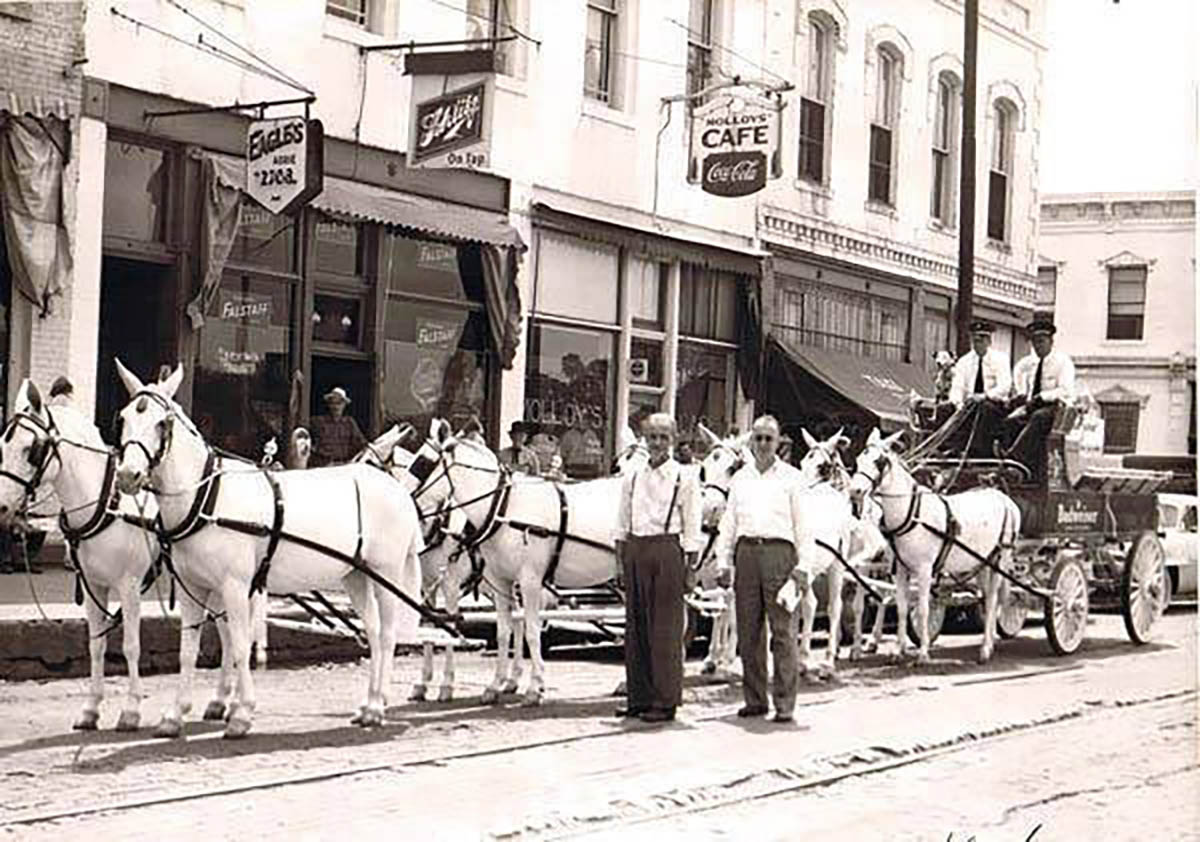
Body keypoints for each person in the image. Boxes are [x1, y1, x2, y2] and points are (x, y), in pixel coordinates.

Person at [713, 415, 811, 724]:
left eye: (769, 438)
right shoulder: (740, 478)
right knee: (749, 632)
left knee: (782, 632)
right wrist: (723, 561)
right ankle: (755, 700)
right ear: (751, 441)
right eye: (758, 438)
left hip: (779, 555)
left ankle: (784, 703)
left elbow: (804, 527)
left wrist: (803, 567)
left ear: (779, 442)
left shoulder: (792, 478)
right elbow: (729, 523)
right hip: (746, 555)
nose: (763, 444)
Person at [613, 413, 702, 724]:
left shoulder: (685, 477)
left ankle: (665, 701)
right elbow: (622, 520)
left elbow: (692, 525)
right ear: (644, 440)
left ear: (674, 440)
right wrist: (620, 559)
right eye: (652, 437)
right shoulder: (633, 476)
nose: (658, 443)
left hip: (667, 550)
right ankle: (639, 697)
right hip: (636, 548)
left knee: (664, 629)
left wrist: (691, 567)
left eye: (664, 437)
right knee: (636, 628)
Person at [997, 317, 1076, 482]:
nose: (1037, 346)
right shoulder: (1031, 364)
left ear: (1050, 341)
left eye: (1041, 341)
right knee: (1009, 421)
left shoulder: (1063, 362)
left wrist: (1042, 397)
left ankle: (1014, 459)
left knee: (1039, 417)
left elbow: (1066, 390)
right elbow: (1019, 374)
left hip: (1056, 408)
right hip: (1034, 405)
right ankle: (1017, 468)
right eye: (1034, 343)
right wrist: (1021, 395)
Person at [948, 320, 1012, 457]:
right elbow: (957, 387)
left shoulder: (1000, 359)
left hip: (994, 405)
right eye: (975, 340)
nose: (978, 344)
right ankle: (948, 448)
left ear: (989, 341)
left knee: (983, 407)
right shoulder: (964, 361)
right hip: (969, 405)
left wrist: (984, 396)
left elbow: (1005, 386)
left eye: (981, 340)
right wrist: (957, 403)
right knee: (945, 408)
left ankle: (975, 451)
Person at [311, 387, 367, 467]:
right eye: (333, 403)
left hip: (344, 465)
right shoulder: (318, 422)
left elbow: (361, 443)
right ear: (329, 405)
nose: (336, 407)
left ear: (344, 405)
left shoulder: (349, 423)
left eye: (339, 403)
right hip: (324, 465)